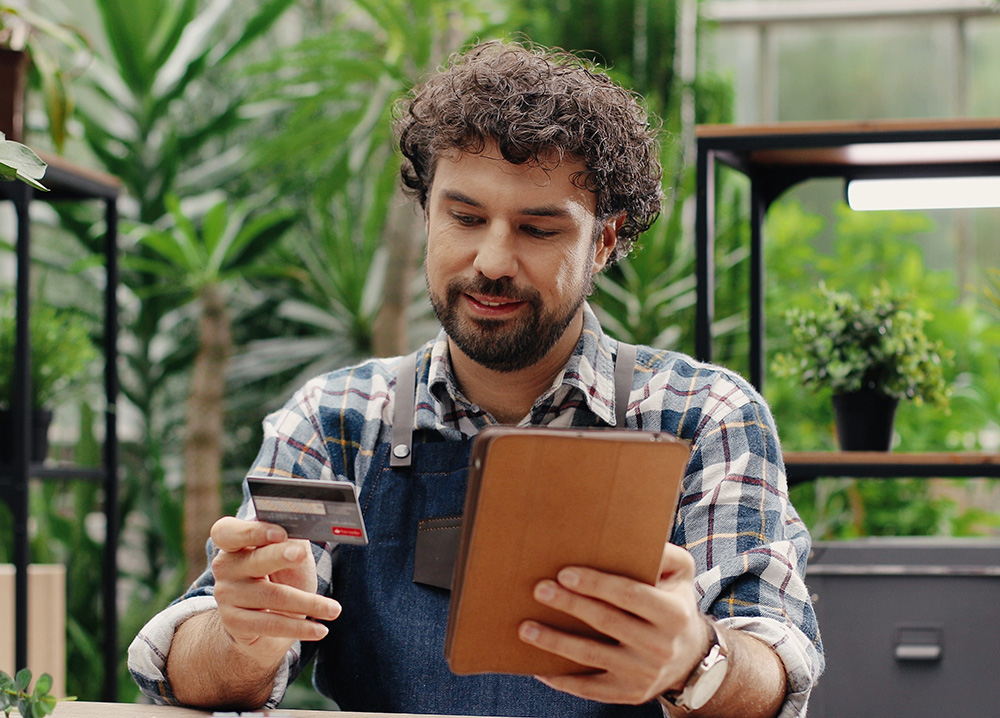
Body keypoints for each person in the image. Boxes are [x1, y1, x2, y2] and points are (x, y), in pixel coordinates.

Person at [128, 39, 823, 717]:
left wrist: (694, 659)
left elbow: (771, 670)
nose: (492, 260)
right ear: (427, 212)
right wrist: (247, 636)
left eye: (539, 228)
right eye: (465, 216)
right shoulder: (336, 420)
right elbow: (193, 668)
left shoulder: (702, 416)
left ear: (604, 242)